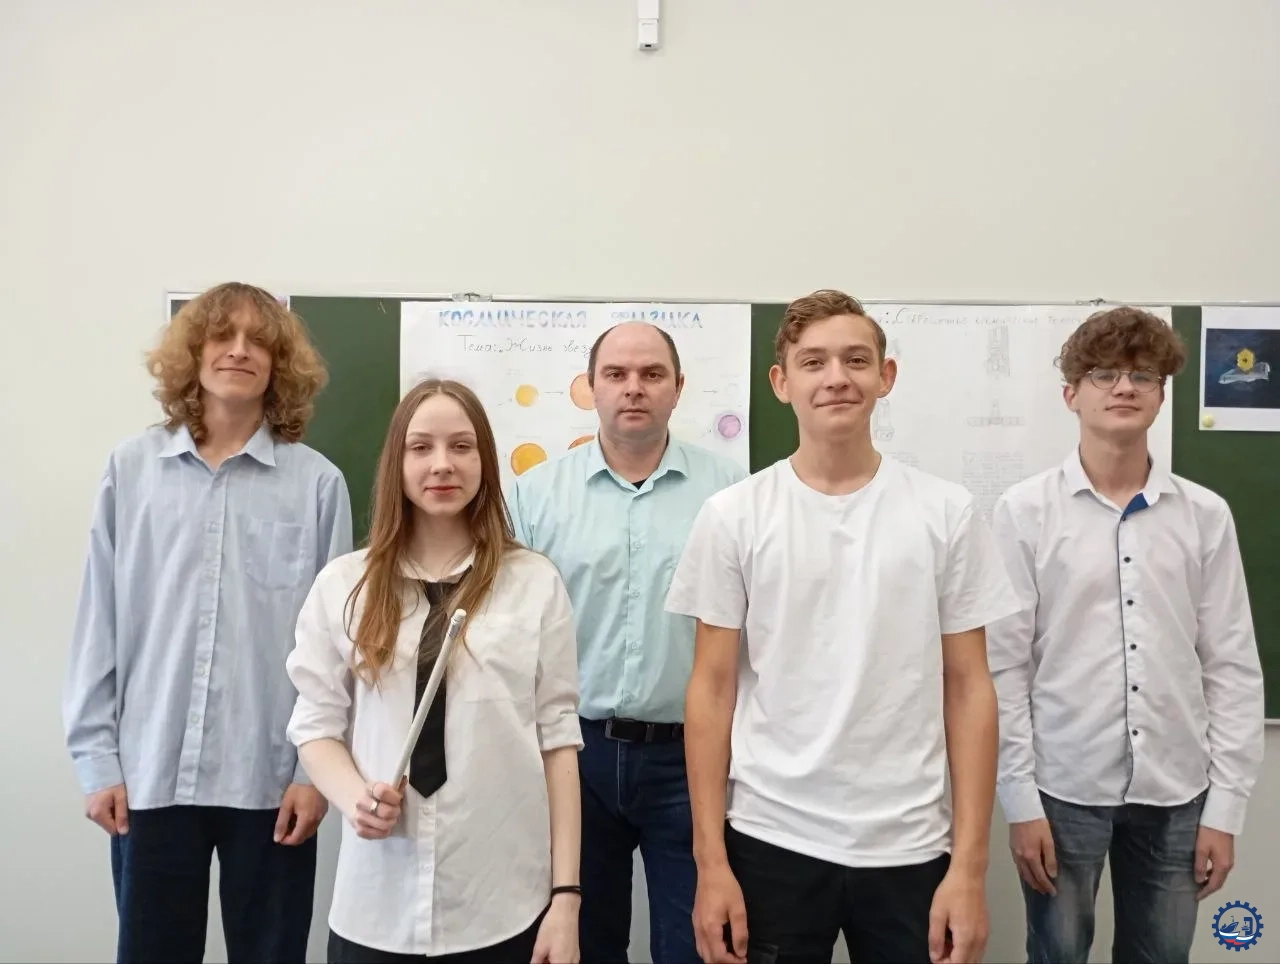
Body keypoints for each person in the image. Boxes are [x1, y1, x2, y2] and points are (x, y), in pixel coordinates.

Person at [666, 289, 1021, 964]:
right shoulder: (734, 516)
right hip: (770, 838)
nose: (837, 377)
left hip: (910, 846)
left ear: (886, 376)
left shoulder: (946, 513)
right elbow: (711, 690)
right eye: (814, 362)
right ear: (782, 383)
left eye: (856, 360)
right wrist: (711, 864)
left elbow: (970, 688)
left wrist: (970, 868)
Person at [62, 282, 354, 963]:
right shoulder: (130, 471)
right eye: (223, 336)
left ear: (280, 364)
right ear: (193, 353)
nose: (239, 351)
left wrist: (314, 774)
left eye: (259, 341)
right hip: (150, 771)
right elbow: (98, 621)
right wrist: (96, 760)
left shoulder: (318, 485)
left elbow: (336, 649)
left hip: (273, 778)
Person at [986, 306, 1265, 964]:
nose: (1124, 387)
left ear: (1161, 395)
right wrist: (1019, 801)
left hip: (1178, 788)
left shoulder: (1205, 516)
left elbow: (1231, 665)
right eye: (1104, 374)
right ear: (1071, 395)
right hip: (1063, 787)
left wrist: (1226, 809)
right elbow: (1004, 667)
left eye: (1142, 375)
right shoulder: (1024, 512)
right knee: (1057, 954)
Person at [286, 377, 583, 964]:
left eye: (461, 446)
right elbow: (315, 725)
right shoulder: (344, 586)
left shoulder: (534, 583)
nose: (442, 464)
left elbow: (558, 744)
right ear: (396, 463)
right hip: (378, 904)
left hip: (502, 901)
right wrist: (354, 798)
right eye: (420, 447)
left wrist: (566, 898)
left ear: (485, 461)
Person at [509, 321, 747, 963]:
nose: (633, 388)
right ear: (590, 388)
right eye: (615, 374)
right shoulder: (535, 495)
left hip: (691, 759)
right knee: (580, 943)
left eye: (651, 374)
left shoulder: (732, 494)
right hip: (574, 755)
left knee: (697, 945)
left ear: (678, 388)